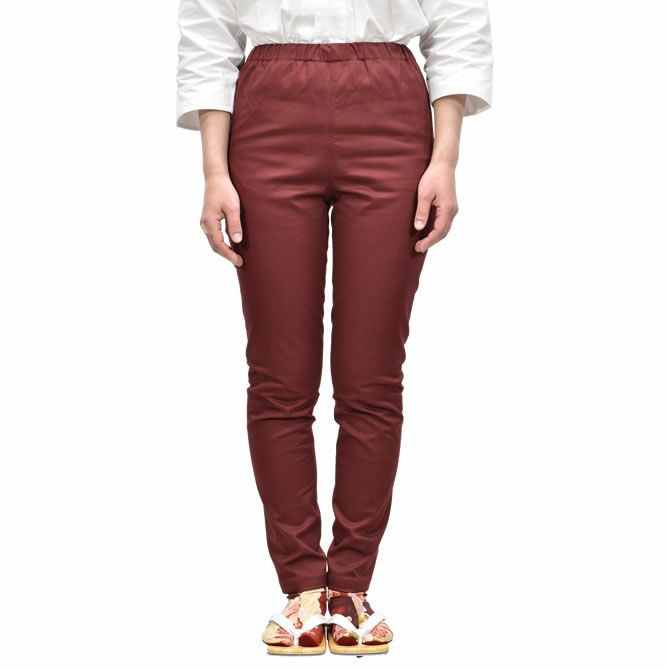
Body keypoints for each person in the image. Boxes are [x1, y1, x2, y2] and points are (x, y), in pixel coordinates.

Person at [176, 0, 493, 656]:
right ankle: (300, 589)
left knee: (371, 374)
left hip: (390, 114)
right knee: (278, 374)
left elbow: (458, 20)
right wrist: (213, 171)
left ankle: (350, 587)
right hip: (267, 115)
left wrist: (446, 159)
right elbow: (209, 30)